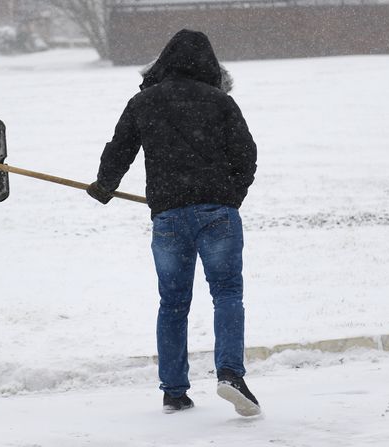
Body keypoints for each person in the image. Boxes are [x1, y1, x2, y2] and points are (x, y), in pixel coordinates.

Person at [87, 29, 259, 417]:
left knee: (173, 303)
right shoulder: (221, 103)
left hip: (168, 216)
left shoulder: (143, 102)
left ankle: (174, 391)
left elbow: (119, 150)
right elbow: (246, 156)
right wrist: (230, 197)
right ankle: (230, 374)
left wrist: (104, 186)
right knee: (227, 295)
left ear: (163, 61)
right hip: (217, 213)